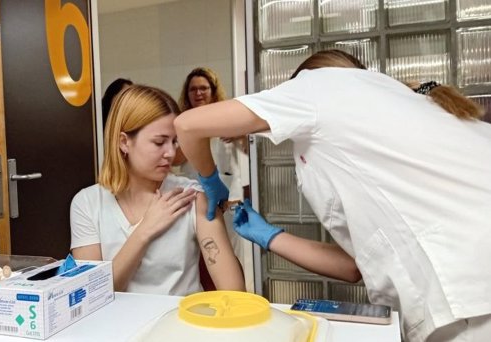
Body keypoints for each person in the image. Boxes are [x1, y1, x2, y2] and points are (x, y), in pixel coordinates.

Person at [174, 50, 491, 342]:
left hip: (469, 292)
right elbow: (355, 267)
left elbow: (188, 125)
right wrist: (270, 236)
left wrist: (210, 181)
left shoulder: (320, 84)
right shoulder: (405, 109)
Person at [70, 84, 244, 296]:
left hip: (181, 324)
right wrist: (145, 230)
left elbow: (234, 292)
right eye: (159, 142)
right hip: (117, 327)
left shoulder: (191, 197)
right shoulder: (87, 203)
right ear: (124, 142)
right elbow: (90, 295)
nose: (171, 153)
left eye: (174, 142)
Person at [176, 67, 248, 290]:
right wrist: (192, 135)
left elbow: (249, 150)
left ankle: (233, 296)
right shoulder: (182, 123)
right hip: (195, 197)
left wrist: (239, 132)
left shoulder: (228, 119)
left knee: (230, 253)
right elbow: (176, 158)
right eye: (193, 89)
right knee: (200, 254)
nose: (198, 93)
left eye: (204, 88)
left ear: (213, 90)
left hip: (229, 197)